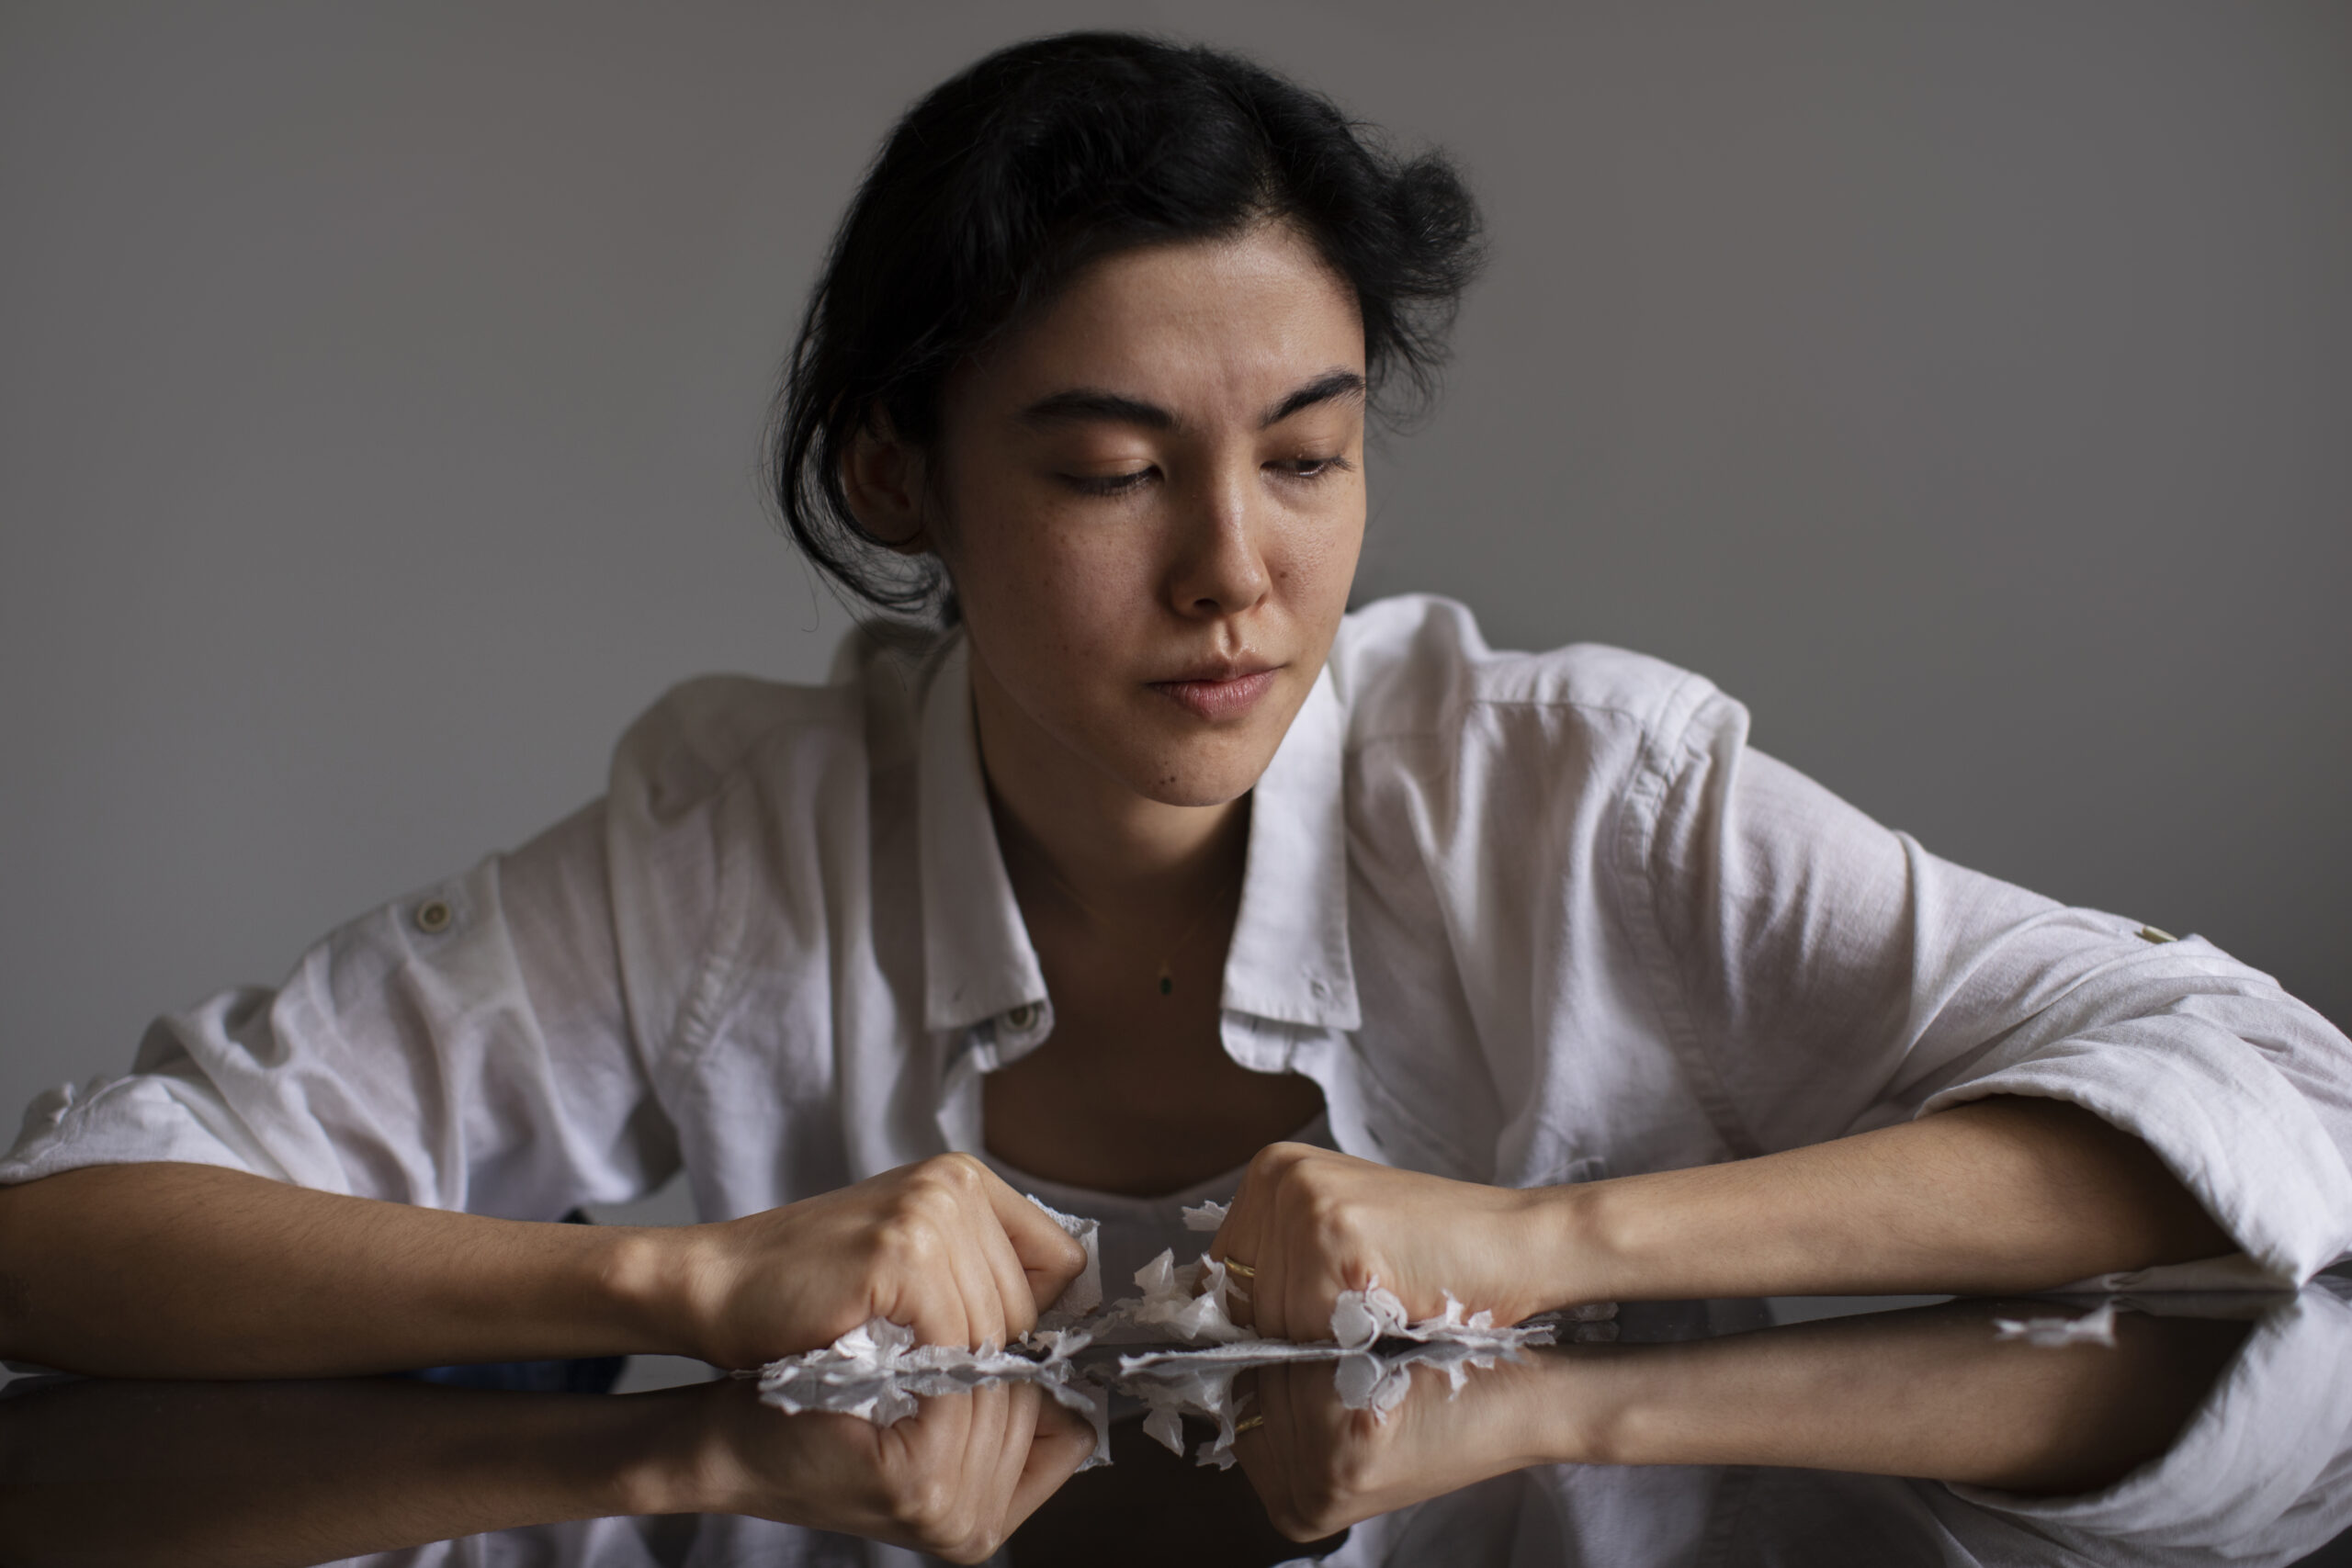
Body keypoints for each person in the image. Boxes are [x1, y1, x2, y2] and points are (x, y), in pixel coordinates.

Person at [0, 31, 2343, 1382]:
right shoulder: (739, 838)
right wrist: (690, 1275)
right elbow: (70, 1217)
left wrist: (1536, 1244)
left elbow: (2273, 1093)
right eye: (1115, 470)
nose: (1241, 569)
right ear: (893, 471)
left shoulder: (1577, 793)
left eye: (1310, 458)